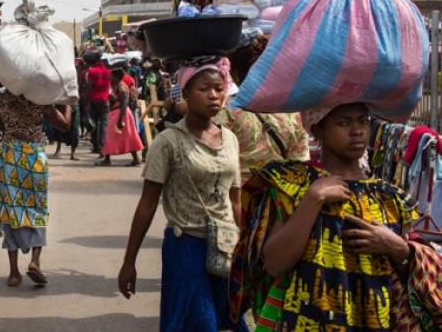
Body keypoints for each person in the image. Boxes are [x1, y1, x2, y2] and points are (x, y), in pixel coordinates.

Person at [231, 103, 418, 331]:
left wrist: (395, 246)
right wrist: (313, 200)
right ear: (317, 130)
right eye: (343, 123)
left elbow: (413, 270)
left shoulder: (391, 199)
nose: (357, 130)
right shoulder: (294, 185)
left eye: (363, 121)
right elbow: (274, 264)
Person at [118, 58, 248, 332]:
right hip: (186, 247)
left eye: (218, 88)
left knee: (231, 319)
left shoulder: (231, 140)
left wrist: (247, 249)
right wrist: (129, 262)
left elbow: (235, 200)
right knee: (200, 324)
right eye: (204, 89)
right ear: (185, 93)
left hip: (226, 246)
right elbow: (147, 204)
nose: (214, 95)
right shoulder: (168, 142)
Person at [0, 90, 72, 287]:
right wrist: (68, 104)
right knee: (37, 208)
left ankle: (14, 272)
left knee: (10, 211)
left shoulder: (4, 99)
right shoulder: (39, 98)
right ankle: (35, 261)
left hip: (10, 158)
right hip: (34, 158)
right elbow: (65, 126)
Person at [222, 35, 310, 179]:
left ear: (236, 74)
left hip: (237, 198)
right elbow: (301, 165)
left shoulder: (226, 110)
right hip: (280, 198)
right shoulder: (292, 112)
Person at [97, 69, 144, 167]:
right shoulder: (117, 86)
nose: (110, 77)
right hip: (117, 113)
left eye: (112, 76)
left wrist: (120, 119)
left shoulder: (122, 87)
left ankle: (107, 159)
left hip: (121, 114)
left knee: (111, 135)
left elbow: (124, 103)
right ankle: (135, 160)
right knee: (128, 136)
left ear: (116, 77)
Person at [85, 53, 111, 156]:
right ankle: (102, 147)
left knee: (93, 124)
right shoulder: (108, 71)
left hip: (94, 100)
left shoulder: (91, 71)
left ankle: (96, 146)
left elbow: (89, 88)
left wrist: (87, 102)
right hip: (105, 100)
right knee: (104, 124)